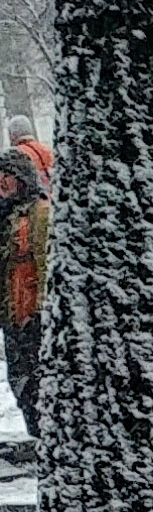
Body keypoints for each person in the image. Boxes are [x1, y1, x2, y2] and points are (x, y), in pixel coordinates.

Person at [0, 118, 52, 447]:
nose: (1, 185)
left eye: (5, 180)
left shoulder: (39, 215)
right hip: (13, 315)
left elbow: (46, 265)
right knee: (20, 381)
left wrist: (47, 310)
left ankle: (46, 438)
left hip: (34, 314)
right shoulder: (6, 217)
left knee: (36, 382)